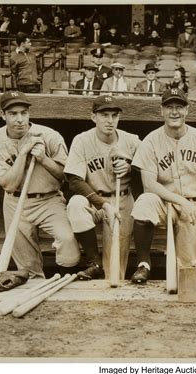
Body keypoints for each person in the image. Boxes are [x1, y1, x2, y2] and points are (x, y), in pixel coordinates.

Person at [129, 88, 196, 283]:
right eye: (169, 107)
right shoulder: (151, 141)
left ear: (187, 110)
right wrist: (181, 201)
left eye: (179, 107)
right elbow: (149, 185)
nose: (174, 112)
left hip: (195, 204)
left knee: (188, 271)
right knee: (144, 202)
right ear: (161, 111)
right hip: (164, 203)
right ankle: (144, 264)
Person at [0, 91, 81, 283]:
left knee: (68, 241)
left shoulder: (49, 135)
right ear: (2, 115)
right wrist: (23, 155)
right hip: (15, 202)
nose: (20, 119)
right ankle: (36, 294)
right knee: (27, 265)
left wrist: (43, 159)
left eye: (24, 113)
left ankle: (65, 282)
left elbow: (66, 176)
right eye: (13, 113)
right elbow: (8, 184)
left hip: (49, 199)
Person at [64, 95, 140, 280]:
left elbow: (149, 173)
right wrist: (102, 204)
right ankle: (93, 261)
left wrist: (131, 168)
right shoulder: (82, 140)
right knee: (76, 204)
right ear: (93, 117)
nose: (110, 120)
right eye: (104, 115)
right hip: (94, 201)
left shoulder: (132, 141)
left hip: (122, 199)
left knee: (115, 270)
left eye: (114, 115)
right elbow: (74, 180)